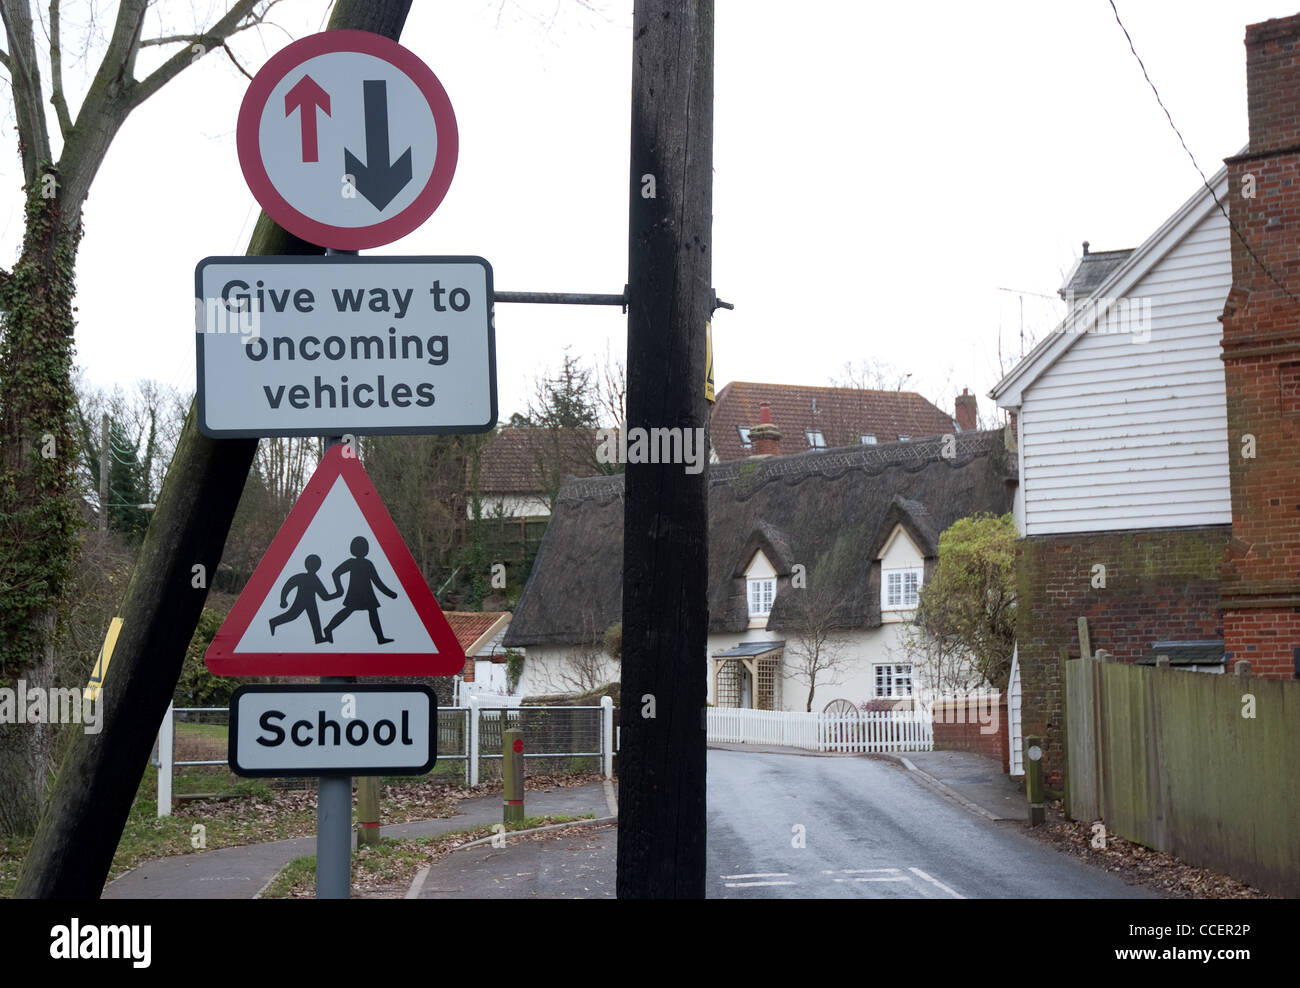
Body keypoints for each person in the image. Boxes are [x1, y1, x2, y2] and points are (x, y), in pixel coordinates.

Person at [322, 535, 399, 644]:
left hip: (365, 594)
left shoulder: (360, 563)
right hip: (359, 594)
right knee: (352, 612)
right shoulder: (364, 563)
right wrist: (390, 594)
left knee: (369, 612)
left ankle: (380, 638)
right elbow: (377, 582)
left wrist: (339, 589)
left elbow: (376, 581)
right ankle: (328, 628)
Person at [268, 554, 338, 643]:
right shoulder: (307, 577)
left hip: (311, 603)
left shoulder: (310, 578)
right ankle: (273, 622)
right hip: (301, 602)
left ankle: (319, 638)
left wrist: (337, 594)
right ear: (318, 566)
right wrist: (283, 600)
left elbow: (324, 596)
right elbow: (288, 585)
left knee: (314, 619)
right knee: (292, 615)